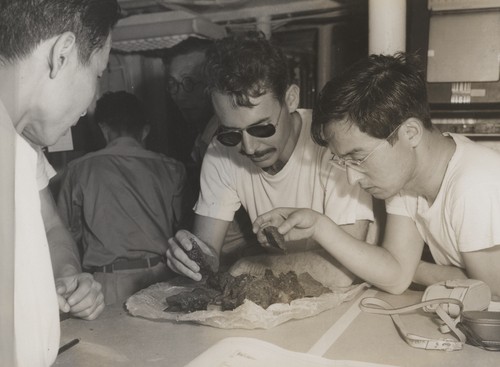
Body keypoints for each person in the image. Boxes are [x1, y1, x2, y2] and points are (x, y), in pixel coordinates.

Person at [252, 52, 500, 301]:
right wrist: (318, 226)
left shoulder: (475, 185)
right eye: (343, 162)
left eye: (358, 158)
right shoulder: (406, 180)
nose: (351, 179)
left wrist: (417, 269)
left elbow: (489, 293)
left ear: (410, 133)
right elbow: (397, 278)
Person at [166, 32, 374, 282]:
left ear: (290, 99)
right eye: (232, 133)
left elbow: (342, 272)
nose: (250, 147)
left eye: (261, 128)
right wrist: (191, 257)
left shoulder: (333, 142)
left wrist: (252, 267)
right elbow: (208, 255)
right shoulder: (220, 151)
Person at [0, 0, 120, 365]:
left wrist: (66, 275)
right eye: (97, 75)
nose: (91, 103)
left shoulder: (20, 146)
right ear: (62, 53)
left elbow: (50, 227)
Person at [57, 91, 186, 305]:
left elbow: (66, 233)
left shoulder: (79, 169)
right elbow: (181, 227)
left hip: (109, 282)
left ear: (103, 129)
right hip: (162, 278)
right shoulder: (172, 168)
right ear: (145, 131)